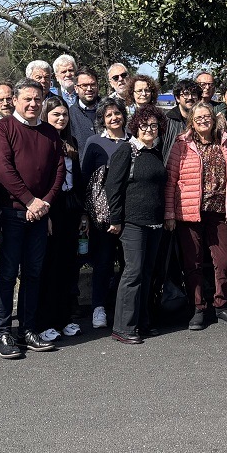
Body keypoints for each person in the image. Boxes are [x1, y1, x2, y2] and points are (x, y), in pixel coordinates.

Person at [0, 79, 65, 359]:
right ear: (15, 100)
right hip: (11, 213)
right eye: (28, 99)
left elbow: (59, 171)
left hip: (40, 215)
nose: (33, 104)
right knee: (7, 275)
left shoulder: (49, 133)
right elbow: (2, 168)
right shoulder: (2, 128)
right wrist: (29, 200)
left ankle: (28, 329)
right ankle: (3, 332)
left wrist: (44, 203)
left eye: (38, 99)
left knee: (34, 274)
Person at [163, 101, 227, 329]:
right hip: (190, 212)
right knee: (192, 262)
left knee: (224, 261)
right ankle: (198, 308)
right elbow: (171, 180)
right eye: (198, 118)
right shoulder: (182, 144)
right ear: (191, 121)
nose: (203, 121)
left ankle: (221, 305)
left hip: (219, 211)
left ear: (213, 118)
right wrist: (169, 213)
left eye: (206, 116)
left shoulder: (224, 141)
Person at [105, 107, 167, 344]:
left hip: (155, 222)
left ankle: (142, 322)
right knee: (133, 273)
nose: (149, 129)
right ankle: (123, 327)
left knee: (148, 273)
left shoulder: (156, 152)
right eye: (144, 125)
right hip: (132, 223)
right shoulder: (126, 150)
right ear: (135, 127)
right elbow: (114, 187)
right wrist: (115, 219)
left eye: (153, 125)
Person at [36, 98, 85, 342]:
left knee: (68, 265)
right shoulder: (42, 140)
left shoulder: (71, 142)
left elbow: (77, 178)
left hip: (70, 206)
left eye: (64, 114)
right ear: (46, 115)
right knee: (50, 267)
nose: (61, 119)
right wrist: (45, 213)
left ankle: (66, 318)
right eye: (56, 114)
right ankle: (47, 320)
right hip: (49, 208)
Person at [81, 98, 130, 330]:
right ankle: (98, 307)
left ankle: (123, 306)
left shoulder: (134, 141)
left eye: (117, 113)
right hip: (104, 215)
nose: (114, 118)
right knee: (103, 261)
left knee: (129, 262)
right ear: (102, 119)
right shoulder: (94, 143)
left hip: (131, 212)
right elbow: (86, 181)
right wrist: (86, 214)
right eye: (109, 115)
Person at [68, 71, 102, 150]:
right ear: (76, 88)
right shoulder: (70, 114)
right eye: (84, 85)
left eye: (92, 84)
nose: (89, 89)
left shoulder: (108, 110)